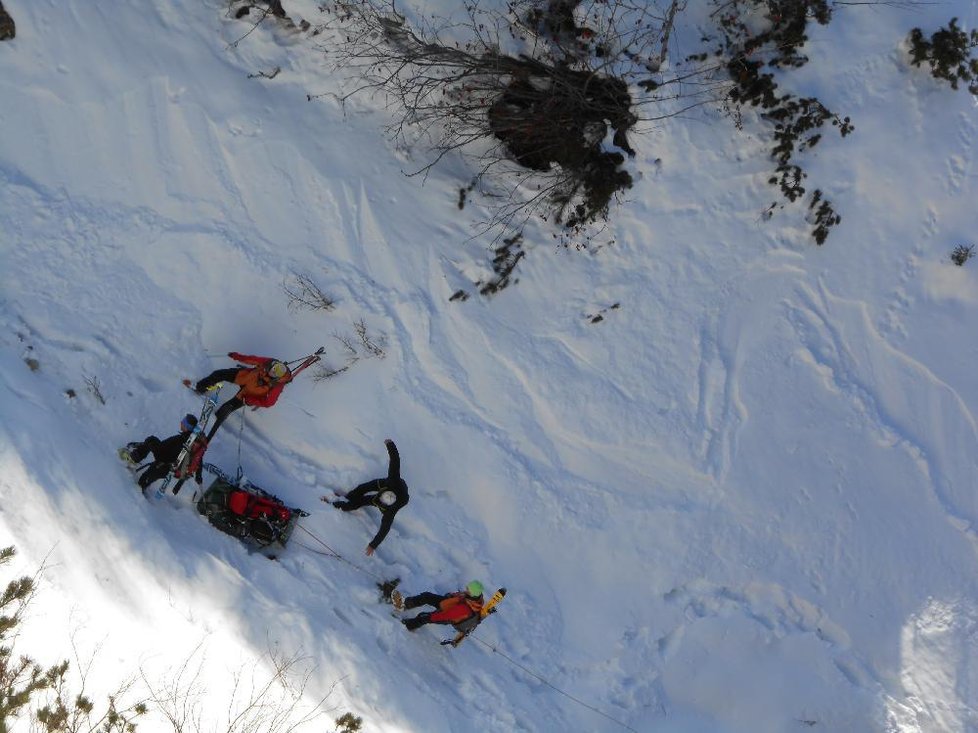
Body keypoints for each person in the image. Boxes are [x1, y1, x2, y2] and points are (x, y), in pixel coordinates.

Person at [193, 351, 311, 442]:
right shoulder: (269, 362)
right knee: (218, 374)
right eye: (269, 369)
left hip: (248, 394)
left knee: (225, 409)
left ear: (276, 377)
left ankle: (209, 431)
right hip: (245, 377)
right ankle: (199, 388)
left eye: (271, 373)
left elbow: (269, 402)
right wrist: (236, 356)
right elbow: (252, 360)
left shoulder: (278, 385)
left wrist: (251, 400)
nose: (267, 370)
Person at [324, 438, 409, 556]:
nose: (378, 499)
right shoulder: (392, 481)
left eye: (380, 501)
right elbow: (395, 460)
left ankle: (338, 505)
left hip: (402, 494)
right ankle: (348, 497)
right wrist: (390, 444)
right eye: (380, 497)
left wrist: (373, 545)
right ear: (383, 493)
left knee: (361, 502)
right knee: (364, 487)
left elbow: (384, 530)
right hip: (393, 485)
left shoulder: (390, 512)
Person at [120, 413, 203, 495]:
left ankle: (133, 460)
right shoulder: (192, 442)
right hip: (167, 463)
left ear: (187, 427)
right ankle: (138, 465)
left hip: (165, 465)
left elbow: (167, 451)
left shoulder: (183, 441)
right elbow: (199, 459)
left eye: (184, 422)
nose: (181, 422)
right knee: (152, 441)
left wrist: (154, 450)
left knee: (144, 479)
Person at [399, 580, 485, 633]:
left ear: (472, 594)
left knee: (423, 617)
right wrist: (452, 596)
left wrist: (430, 617)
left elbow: (445, 616)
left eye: (468, 590)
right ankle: (406, 604)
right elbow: (459, 597)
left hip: (447, 616)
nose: (466, 590)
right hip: (448, 604)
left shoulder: (464, 609)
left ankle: (407, 626)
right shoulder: (472, 597)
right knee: (426, 596)